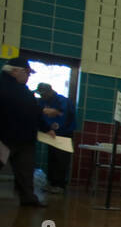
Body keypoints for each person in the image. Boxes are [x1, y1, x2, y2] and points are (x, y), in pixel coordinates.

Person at [0, 58, 48, 207]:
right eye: (27, 72)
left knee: (25, 171)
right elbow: (30, 109)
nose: (29, 76)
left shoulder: (23, 89)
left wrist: (46, 128)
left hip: (23, 139)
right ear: (15, 71)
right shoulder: (5, 86)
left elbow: (33, 111)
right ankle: (28, 197)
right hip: (5, 138)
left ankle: (28, 198)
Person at [35, 82, 75, 192]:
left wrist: (55, 128)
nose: (42, 96)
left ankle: (60, 184)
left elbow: (65, 118)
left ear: (50, 91)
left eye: (43, 94)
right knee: (52, 158)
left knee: (61, 159)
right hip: (50, 133)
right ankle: (52, 182)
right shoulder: (43, 101)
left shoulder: (62, 101)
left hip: (64, 134)